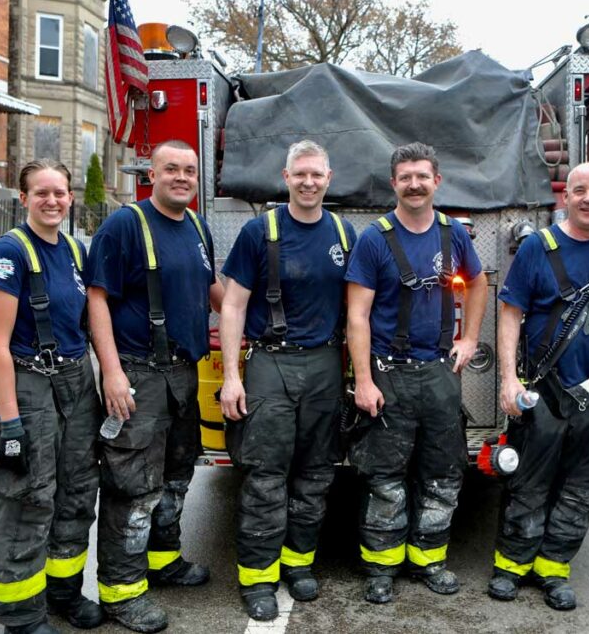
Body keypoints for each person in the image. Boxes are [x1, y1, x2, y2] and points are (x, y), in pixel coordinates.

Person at [488, 163, 589, 611]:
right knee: (529, 482)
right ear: (567, 198)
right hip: (543, 385)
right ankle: (511, 566)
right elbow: (511, 312)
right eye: (580, 191)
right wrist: (507, 379)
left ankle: (553, 570)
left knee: (580, 486)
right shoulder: (538, 247)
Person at [86, 140, 224, 633]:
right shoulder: (126, 224)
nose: (182, 177)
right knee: (133, 488)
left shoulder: (197, 228)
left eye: (190, 169)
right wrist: (113, 372)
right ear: (153, 174)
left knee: (175, 477)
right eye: (172, 169)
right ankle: (122, 592)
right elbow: (97, 299)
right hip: (138, 374)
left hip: (184, 374)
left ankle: (163, 561)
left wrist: (253, 320)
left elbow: (214, 292)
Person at [218, 140, 357, 621]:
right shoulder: (260, 232)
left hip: (324, 367)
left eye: (316, 174)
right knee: (265, 477)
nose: (309, 182)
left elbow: (360, 311)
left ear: (328, 178)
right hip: (270, 366)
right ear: (286, 176)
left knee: (316, 476)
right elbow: (232, 305)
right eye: (300, 174)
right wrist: (232, 377)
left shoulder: (344, 233)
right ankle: (258, 577)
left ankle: (299, 565)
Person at [345, 142, 487, 604]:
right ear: (394, 184)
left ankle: (429, 559)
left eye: (422, 176)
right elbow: (357, 317)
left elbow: (479, 282)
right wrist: (363, 380)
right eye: (405, 177)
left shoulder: (453, 235)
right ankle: (382, 565)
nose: (414, 184)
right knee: (384, 476)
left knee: (442, 473)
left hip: (440, 373)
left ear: (436, 182)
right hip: (389, 375)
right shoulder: (374, 239)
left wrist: (469, 339)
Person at [0, 160, 103, 633]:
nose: (52, 201)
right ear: (23, 197)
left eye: (60, 193)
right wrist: (9, 424)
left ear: (71, 198)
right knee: (29, 497)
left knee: (75, 492)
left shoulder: (72, 249)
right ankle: (20, 614)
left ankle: (62, 593)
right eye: (42, 193)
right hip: (28, 384)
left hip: (74, 382)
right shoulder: (9, 254)